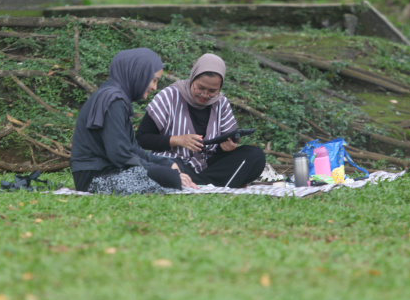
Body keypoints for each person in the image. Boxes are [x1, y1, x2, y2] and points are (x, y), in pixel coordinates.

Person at [70, 48, 197, 194]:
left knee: (175, 168)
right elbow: (120, 155)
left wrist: (168, 163)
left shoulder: (118, 99)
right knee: (170, 178)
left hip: (107, 171)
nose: (155, 87)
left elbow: (134, 149)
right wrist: (163, 171)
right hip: (94, 177)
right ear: (139, 74)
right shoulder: (114, 101)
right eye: (154, 80)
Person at [136, 53, 265, 188]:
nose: (205, 94)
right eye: (200, 88)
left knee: (255, 156)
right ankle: (204, 183)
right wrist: (177, 140)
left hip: (205, 166)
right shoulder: (169, 96)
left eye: (212, 91)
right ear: (192, 78)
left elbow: (220, 149)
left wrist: (226, 148)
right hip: (173, 161)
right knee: (172, 168)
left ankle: (198, 183)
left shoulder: (221, 103)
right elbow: (142, 138)